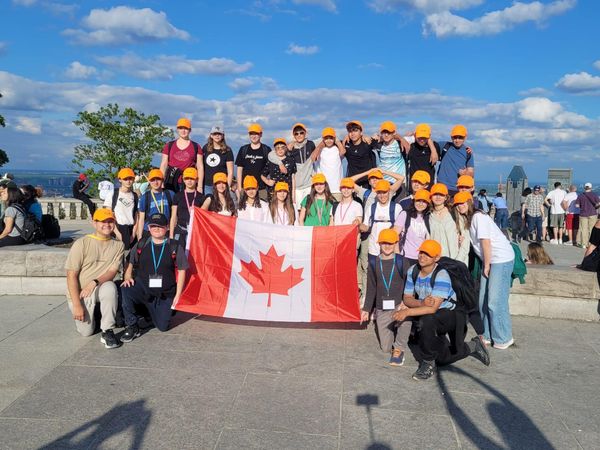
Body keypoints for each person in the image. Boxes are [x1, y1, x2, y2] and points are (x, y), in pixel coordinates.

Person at [394, 239, 490, 381]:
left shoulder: (441, 275)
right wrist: (421, 302)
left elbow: (432, 308)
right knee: (442, 358)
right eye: (421, 252)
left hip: (451, 314)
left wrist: (407, 312)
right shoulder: (412, 271)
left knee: (426, 320)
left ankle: (427, 364)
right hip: (431, 313)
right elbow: (407, 298)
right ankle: (473, 345)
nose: (422, 256)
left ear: (436, 258)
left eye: (427, 254)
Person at [454, 192, 515, 349]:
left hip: (500, 259)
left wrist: (486, 265)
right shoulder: (469, 219)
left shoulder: (478, 217)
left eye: (463, 203)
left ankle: (503, 337)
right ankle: (487, 335)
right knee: (482, 300)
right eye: (457, 204)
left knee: (495, 301)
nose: (460, 206)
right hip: (489, 260)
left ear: (470, 203)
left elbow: (485, 243)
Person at [120, 213, 189, 341]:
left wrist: (178, 295)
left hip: (165, 293)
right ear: (149, 227)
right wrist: (128, 276)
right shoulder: (142, 243)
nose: (156, 229)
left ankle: (151, 315)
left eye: (160, 226)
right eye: (153, 226)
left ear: (167, 227)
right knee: (126, 289)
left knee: (163, 327)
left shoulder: (174, 246)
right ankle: (132, 325)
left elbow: (182, 270)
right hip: (144, 288)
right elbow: (130, 261)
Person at [64, 208, 124, 348]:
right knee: (86, 332)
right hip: (82, 294)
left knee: (110, 287)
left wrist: (94, 282)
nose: (107, 225)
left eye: (110, 221)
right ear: (94, 223)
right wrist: (77, 305)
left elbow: (112, 271)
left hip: (100, 288)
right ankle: (96, 314)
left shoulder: (118, 245)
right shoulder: (82, 243)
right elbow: (71, 275)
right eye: (102, 221)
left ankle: (107, 330)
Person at [361, 228, 411, 366]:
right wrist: (366, 309)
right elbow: (371, 287)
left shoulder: (402, 261)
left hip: (399, 305)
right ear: (379, 244)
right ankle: (399, 334)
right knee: (385, 348)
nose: (387, 246)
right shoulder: (374, 262)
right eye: (384, 243)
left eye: (390, 243)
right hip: (382, 307)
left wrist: (406, 303)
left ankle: (400, 347)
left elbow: (409, 284)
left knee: (406, 318)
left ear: (396, 243)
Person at [267, 123, 317, 209]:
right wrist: (280, 163)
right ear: (293, 135)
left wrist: (318, 149)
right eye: (296, 133)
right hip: (296, 187)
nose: (299, 135)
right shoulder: (289, 148)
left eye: (301, 132)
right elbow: (271, 154)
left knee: (309, 210)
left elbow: (325, 140)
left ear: (305, 133)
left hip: (309, 185)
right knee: (297, 212)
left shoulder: (311, 144)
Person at [360, 179, 401, 268]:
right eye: (379, 193)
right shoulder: (372, 207)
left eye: (384, 192)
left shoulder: (397, 208)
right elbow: (366, 227)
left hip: (390, 250)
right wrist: (358, 225)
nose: (382, 195)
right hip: (374, 249)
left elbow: (400, 230)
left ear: (389, 192)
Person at [160, 118, 204, 193]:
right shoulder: (169, 145)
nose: (183, 131)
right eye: (181, 128)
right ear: (177, 129)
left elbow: (200, 167)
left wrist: (200, 186)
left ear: (190, 130)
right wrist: (161, 182)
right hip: (171, 180)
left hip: (189, 182)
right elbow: (163, 165)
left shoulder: (196, 147)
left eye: (186, 128)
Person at [429, 183, 469, 265]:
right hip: (436, 262)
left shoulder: (454, 213)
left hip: (455, 261)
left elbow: (465, 239)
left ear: (446, 197)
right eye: (435, 194)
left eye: (441, 195)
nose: (438, 197)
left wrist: (458, 261)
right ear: (431, 197)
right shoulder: (428, 216)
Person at [395, 189, 431, 275]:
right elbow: (394, 235)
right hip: (406, 257)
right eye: (418, 200)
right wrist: (397, 255)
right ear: (414, 201)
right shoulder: (405, 214)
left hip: (422, 259)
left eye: (424, 201)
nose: (420, 204)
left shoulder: (429, 217)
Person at [170, 167, 206, 245]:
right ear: (183, 179)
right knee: (179, 255)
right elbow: (173, 217)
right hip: (180, 230)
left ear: (196, 180)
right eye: (187, 178)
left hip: (195, 232)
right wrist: (171, 236)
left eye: (192, 178)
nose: (189, 181)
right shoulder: (177, 196)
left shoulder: (201, 197)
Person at [104, 168, 138, 250]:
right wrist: (117, 233)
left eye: (130, 178)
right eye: (125, 179)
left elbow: (136, 216)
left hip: (130, 229)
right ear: (120, 180)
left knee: (129, 257)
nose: (128, 181)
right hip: (117, 227)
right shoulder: (113, 193)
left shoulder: (134, 196)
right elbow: (109, 215)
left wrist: (133, 233)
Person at [235, 123, 271, 201]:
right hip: (246, 188)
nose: (253, 136)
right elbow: (239, 170)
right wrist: (239, 187)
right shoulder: (243, 149)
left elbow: (271, 168)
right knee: (245, 210)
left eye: (256, 134)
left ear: (261, 134)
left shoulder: (266, 149)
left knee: (263, 210)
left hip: (262, 189)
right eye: (251, 134)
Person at [437, 125, 474, 197]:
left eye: (460, 137)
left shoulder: (467, 152)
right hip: (442, 187)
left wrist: (465, 173)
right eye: (455, 137)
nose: (457, 140)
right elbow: (428, 144)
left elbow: (471, 172)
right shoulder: (444, 145)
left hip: (458, 188)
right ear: (451, 137)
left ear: (465, 137)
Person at [137, 169, 174, 241]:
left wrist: (171, 231)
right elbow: (141, 219)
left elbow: (174, 215)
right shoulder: (145, 197)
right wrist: (139, 236)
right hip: (149, 231)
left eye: (158, 179)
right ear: (149, 181)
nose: (155, 182)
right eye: (152, 180)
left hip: (165, 230)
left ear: (162, 180)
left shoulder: (170, 194)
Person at [313, 128, 345, 201]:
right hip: (323, 189)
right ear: (323, 139)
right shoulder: (320, 150)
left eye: (331, 138)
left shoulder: (337, 149)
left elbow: (343, 152)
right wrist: (321, 144)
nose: (329, 140)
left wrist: (337, 141)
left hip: (337, 189)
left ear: (334, 138)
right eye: (326, 138)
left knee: (337, 211)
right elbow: (313, 157)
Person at [343, 120, 377, 188]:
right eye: (350, 131)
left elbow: (379, 137)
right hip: (353, 184)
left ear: (361, 132)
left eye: (355, 130)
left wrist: (371, 137)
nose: (352, 133)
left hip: (368, 183)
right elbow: (330, 140)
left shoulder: (368, 143)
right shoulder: (346, 145)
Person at [261, 138, 297, 203]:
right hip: (273, 192)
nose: (280, 149)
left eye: (282, 147)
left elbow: (293, 178)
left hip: (287, 192)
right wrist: (267, 182)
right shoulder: (271, 161)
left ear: (286, 148)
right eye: (278, 148)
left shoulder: (291, 160)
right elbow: (262, 175)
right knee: (273, 211)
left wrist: (293, 196)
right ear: (275, 150)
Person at [202, 126, 234, 196]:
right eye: (215, 134)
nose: (217, 135)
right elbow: (201, 166)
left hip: (221, 185)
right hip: (207, 185)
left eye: (219, 134)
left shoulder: (228, 150)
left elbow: (230, 171)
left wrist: (227, 186)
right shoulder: (205, 148)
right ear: (211, 135)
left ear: (223, 136)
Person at [406, 124, 440, 188]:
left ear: (429, 137)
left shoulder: (435, 146)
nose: (422, 140)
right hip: (414, 186)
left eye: (424, 137)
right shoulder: (412, 146)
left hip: (428, 186)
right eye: (420, 137)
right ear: (415, 136)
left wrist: (433, 150)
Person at [576, 183, 600, 248]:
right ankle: (590, 244)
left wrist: (582, 206)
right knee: (591, 229)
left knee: (583, 229)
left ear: (584, 188)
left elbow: (577, 205)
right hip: (592, 214)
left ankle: (584, 244)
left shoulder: (580, 195)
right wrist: (595, 207)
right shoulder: (594, 195)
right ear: (591, 188)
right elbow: (598, 203)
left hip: (583, 214)